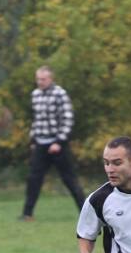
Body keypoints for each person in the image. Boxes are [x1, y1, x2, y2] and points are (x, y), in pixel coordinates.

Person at [20, 65, 85, 221]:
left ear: (51, 79)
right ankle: (27, 214)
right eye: (38, 79)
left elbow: (68, 119)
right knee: (33, 179)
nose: (40, 82)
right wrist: (33, 139)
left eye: (43, 79)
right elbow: (37, 120)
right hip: (40, 143)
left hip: (57, 145)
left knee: (69, 179)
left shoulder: (60, 94)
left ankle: (86, 212)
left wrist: (59, 141)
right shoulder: (35, 94)